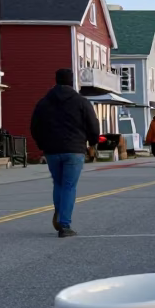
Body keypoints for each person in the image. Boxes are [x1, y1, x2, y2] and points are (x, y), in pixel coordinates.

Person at [30, 68, 100, 237]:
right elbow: (93, 125)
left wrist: (42, 144)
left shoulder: (44, 102)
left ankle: (60, 212)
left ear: (56, 80)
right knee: (69, 186)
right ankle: (64, 224)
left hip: (52, 150)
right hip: (75, 149)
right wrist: (93, 142)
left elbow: (34, 126)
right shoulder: (81, 101)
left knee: (59, 184)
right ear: (71, 81)